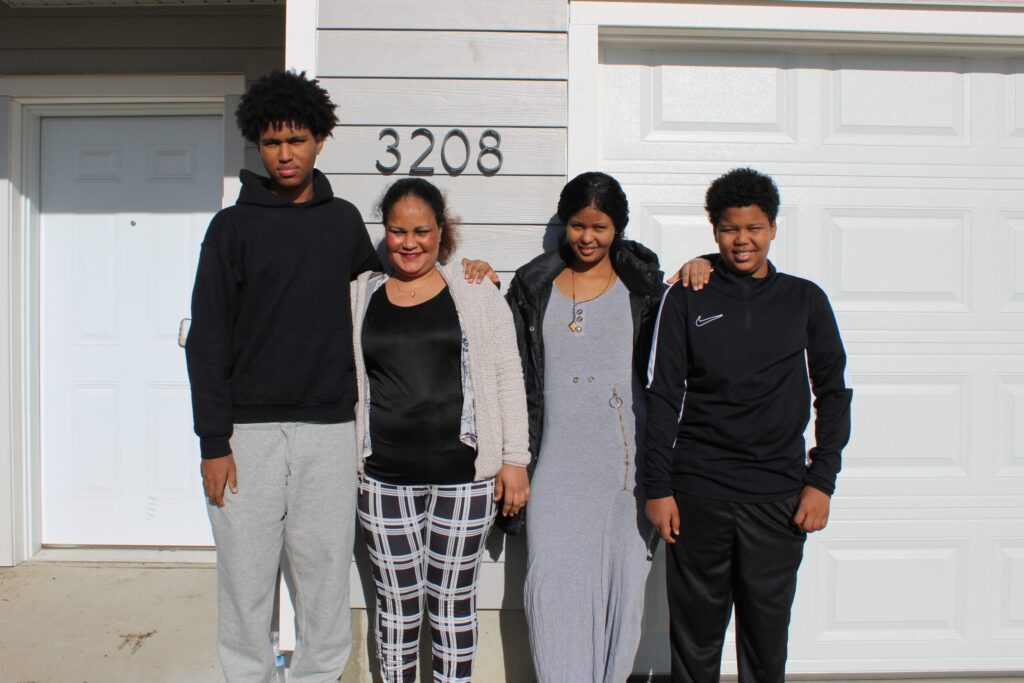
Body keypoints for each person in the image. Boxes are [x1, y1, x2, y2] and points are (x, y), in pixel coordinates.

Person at [185, 71, 494, 683]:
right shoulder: (230, 229)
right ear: (257, 144)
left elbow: (400, 282)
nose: (285, 153)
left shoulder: (343, 221)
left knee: (324, 577)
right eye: (272, 142)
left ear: (320, 140)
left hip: (331, 429)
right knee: (245, 578)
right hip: (247, 434)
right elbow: (207, 339)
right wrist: (213, 441)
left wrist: (468, 268)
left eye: (297, 140)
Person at [644, 168, 853, 682]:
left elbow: (833, 394)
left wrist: (821, 482)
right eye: (730, 229)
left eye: (755, 228)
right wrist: (658, 488)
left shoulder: (805, 300)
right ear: (714, 230)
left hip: (777, 500)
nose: (743, 240)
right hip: (698, 496)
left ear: (773, 228)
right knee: (694, 644)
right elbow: (663, 396)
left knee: (765, 643)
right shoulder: (687, 296)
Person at [505, 172, 710, 682]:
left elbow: (683, 351)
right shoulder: (532, 287)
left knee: (623, 587)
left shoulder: (645, 289)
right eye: (578, 225)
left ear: (618, 227)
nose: (588, 237)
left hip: (624, 464)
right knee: (551, 588)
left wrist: (707, 262)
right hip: (553, 464)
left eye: (600, 227)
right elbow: (508, 367)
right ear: (565, 223)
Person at [350, 177, 531, 683]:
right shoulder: (360, 295)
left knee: (452, 604)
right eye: (397, 231)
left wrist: (515, 458)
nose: (409, 243)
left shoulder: (474, 290)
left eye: (421, 231)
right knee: (397, 607)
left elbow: (507, 373)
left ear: (441, 231)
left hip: (464, 480)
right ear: (385, 232)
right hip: (383, 479)